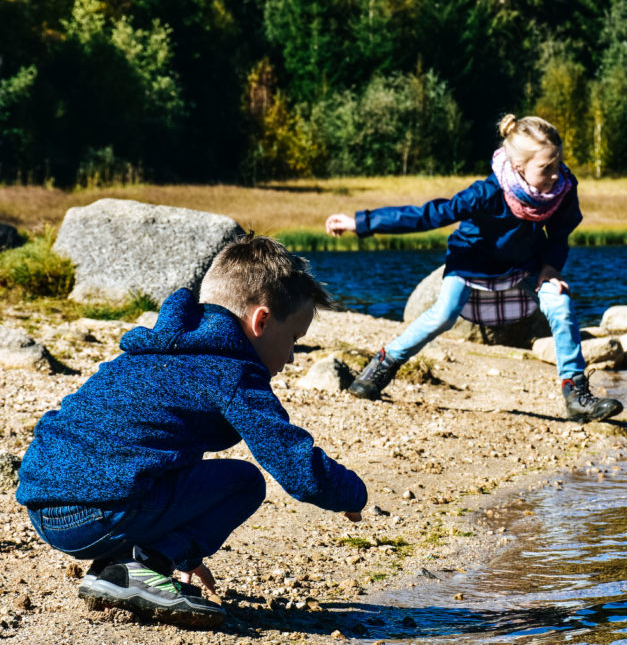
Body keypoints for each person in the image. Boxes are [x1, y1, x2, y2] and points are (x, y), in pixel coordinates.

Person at [15, 235, 367, 629]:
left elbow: (153, 450)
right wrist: (349, 493)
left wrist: (186, 551)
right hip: (98, 512)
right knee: (244, 482)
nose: (289, 357)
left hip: (46, 507)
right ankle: (142, 567)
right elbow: (291, 460)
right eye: (293, 342)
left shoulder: (161, 349)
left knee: (168, 460)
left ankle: (125, 570)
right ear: (261, 321)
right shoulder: (232, 370)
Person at [325, 113, 623, 423]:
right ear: (519, 167)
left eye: (557, 164)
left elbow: (561, 232)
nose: (554, 175)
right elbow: (429, 215)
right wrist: (361, 223)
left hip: (523, 266)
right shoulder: (488, 193)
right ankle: (379, 369)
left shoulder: (562, 188)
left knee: (560, 304)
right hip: (471, 263)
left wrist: (551, 267)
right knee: (442, 315)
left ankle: (576, 395)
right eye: (545, 168)